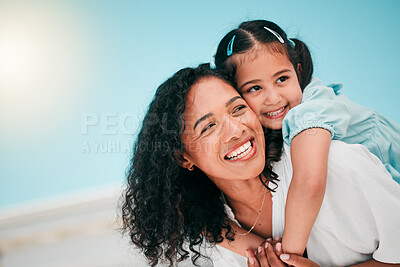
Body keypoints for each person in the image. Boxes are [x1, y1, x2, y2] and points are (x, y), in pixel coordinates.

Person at [121, 64, 400, 267]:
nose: (235, 130)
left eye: (238, 108)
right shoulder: (216, 237)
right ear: (184, 158)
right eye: (208, 127)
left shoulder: (338, 164)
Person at [213, 19, 400, 256]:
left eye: (282, 79)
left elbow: (309, 182)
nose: (273, 98)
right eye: (254, 88)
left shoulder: (312, 109)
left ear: (298, 71)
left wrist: (289, 257)